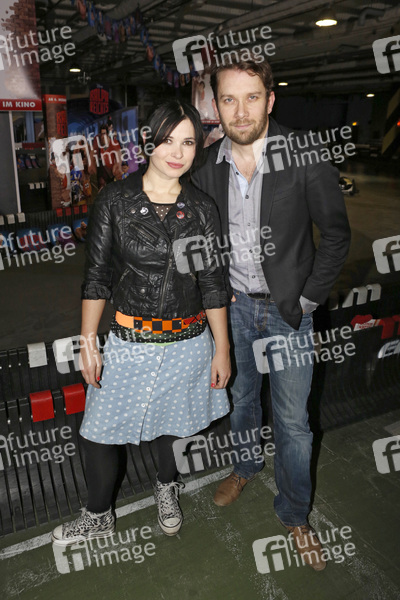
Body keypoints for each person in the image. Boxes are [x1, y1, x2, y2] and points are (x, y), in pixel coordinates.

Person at [191, 57, 351, 571]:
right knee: (240, 401)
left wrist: (307, 301)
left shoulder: (304, 156)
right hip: (233, 310)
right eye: (229, 100)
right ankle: (244, 466)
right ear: (217, 107)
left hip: (289, 312)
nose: (241, 111)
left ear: (270, 100)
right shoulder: (206, 165)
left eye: (252, 97)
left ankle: (295, 515)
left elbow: (336, 235)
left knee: (293, 423)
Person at [52, 100, 231, 546]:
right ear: (148, 141)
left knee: (174, 425)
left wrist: (222, 348)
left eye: (188, 142)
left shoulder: (202, 208)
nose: (178, 152)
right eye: (168, 140)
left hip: (189, 342)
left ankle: (166, 487)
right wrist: (89, 342)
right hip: (129, 341)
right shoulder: (115, 200)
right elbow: (96, 278)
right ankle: (98, 514)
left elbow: (212, 283)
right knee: (97, 433)